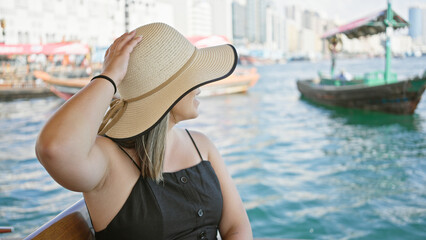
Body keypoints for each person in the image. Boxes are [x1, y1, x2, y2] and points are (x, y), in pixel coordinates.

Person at [35, 22, 252, 239]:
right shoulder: (107, 159)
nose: (200, 87)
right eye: (191, 78)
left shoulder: (202, 145)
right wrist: (109, 76)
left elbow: (237, 227)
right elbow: (54, 149)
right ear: (167, 91)